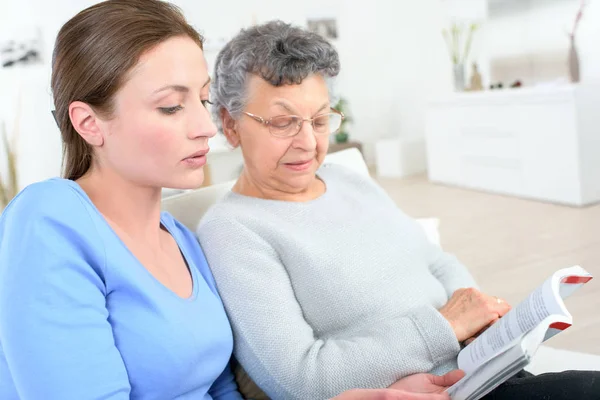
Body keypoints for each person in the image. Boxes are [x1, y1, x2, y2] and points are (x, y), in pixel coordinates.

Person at [0, 1, 464, 399]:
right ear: (89, 123)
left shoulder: (181, 239)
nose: (205, 127)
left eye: (202, 100)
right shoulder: (50, 218)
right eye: (170, 106)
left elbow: (221, 391)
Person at [197, 20, 600, 400]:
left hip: (483, 371)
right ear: (230, 125)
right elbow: (303, 379)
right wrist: (446, 327)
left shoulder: (346, 178)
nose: (307, 142)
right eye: (283, 122)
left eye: (320, 120)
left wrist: (478, 317)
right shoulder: (233, 230)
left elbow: (436, 262)